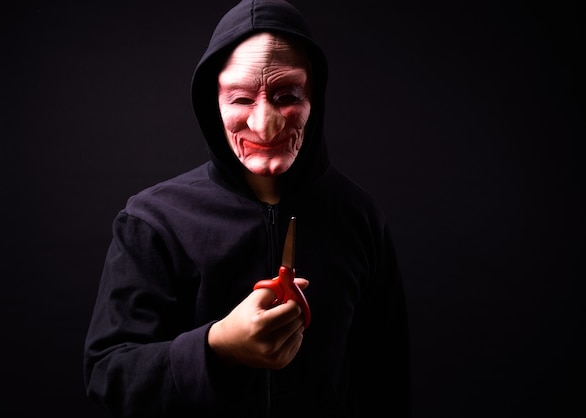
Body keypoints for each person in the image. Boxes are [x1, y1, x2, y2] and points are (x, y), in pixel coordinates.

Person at [83, 0, 411, 416]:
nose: (265, 124)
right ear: (213, 105)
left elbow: (387, 381)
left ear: (315, 98)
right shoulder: (152, 222)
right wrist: (217, 345)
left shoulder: (359, 217)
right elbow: (108, 374)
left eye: (287, 95)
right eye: (240, 99)